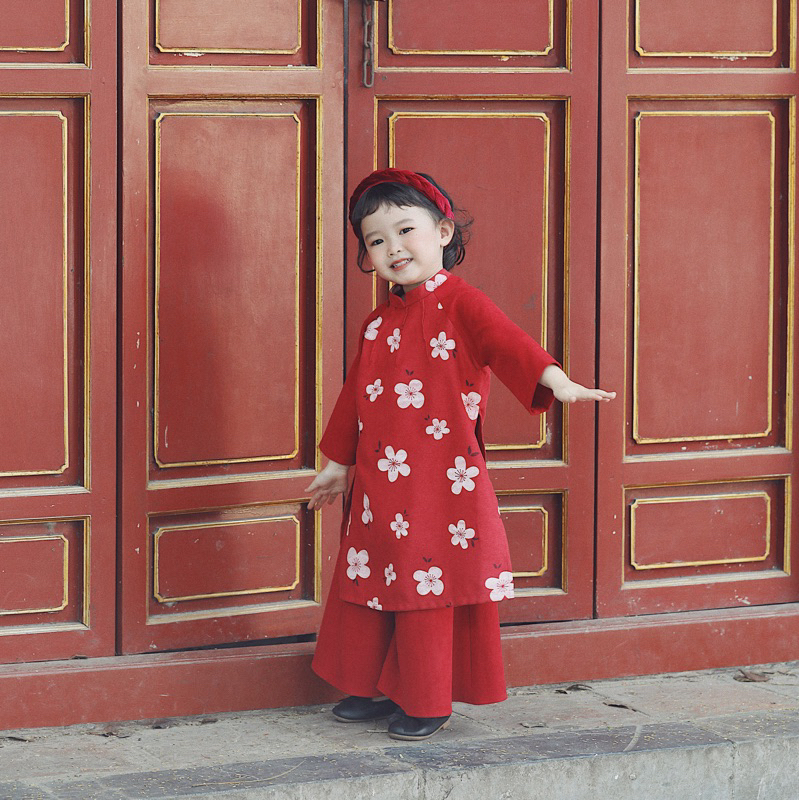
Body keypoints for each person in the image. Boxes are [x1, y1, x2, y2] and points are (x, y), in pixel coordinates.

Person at [305, 168, 615, 741]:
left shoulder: (463, 304)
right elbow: (355, 397)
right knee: (373, 573)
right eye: (377, 240)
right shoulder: (376, 324)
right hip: (379, 482)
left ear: (443, 232)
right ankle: (372, 686)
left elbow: (508, 343)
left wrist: (558, 380)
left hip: (439, 481)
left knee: (426, 578)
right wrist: (338, 464)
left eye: (406, 230)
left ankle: (426, 700)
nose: (393, 248)